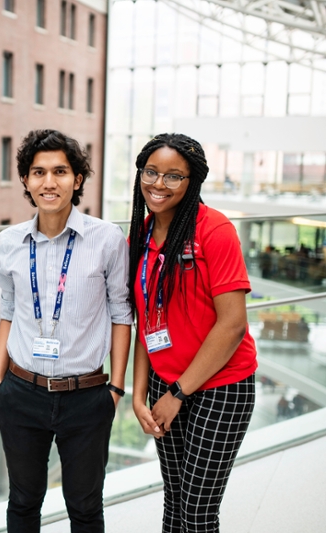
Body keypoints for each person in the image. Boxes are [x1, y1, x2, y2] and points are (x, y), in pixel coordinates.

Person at [0, 130, 131, 532]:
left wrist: (116, 389)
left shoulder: (106, 239)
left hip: (86, 396)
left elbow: (122, 314)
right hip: (21, 392)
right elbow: (7, 311)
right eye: (38, 172)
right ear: (25, 181)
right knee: (22, 502)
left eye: (59, 172)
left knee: (85, 507)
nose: (48, 182)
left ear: (78, 179)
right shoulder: (10, 241)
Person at [128, 133, 257, 533]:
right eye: (151, 172)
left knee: (198, 511)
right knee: (174, 500)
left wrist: (178, 394)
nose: (158, 184)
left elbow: (233, 324)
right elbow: (146, 321)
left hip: (220, 386)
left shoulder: (214, 230)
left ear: (192, 182)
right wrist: (138, 393)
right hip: (165, 385)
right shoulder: (142, 236)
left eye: (173, 176)